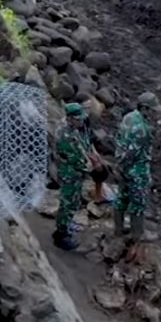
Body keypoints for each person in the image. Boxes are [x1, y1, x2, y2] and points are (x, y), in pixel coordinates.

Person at [114, 92, 161, 243]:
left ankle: (118, 230)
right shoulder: (142, 129)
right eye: (152, 110)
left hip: (122, 165)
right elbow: (132, 152)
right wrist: (127, 167)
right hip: (136, 170)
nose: (154, 113)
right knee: (138, 202)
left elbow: (120, 140)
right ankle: (138, 235)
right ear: (145, 108)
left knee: (121, 198)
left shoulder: (128, 117)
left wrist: (119, 167)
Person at [54, 103, 95, 250]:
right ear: (70, 118)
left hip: (74, 173)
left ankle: (67, 224)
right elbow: (75, 159)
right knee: (67, 203)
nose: (81, 122)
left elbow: (82, 147)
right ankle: (61, 235)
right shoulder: (66, 135)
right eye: (78, 119)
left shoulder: (72, 129)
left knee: (73, 201)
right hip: (70, 173)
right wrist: (90, 167)